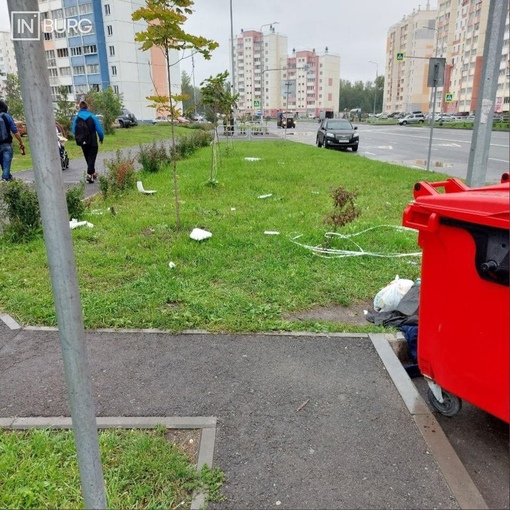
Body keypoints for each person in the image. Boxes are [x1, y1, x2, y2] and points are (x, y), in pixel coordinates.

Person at [71, 100, 104, 183]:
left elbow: (74, 130)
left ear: (79, 107)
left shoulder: (77, 118)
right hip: (92, 140)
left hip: (82, 141)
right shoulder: (92, 117)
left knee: (88, 157)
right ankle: (89, 174)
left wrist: (81, 136)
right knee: (92, 157)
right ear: (87, 107)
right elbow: (99, 130)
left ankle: (92, 173)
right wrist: (101, 137)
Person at [0, 100, 25, 182]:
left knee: (3, 164)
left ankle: (9, 178)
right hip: (6, 144)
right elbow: (15, 131)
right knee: (6, 163)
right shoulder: (6, 116)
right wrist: (21, 141)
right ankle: (5, 180)